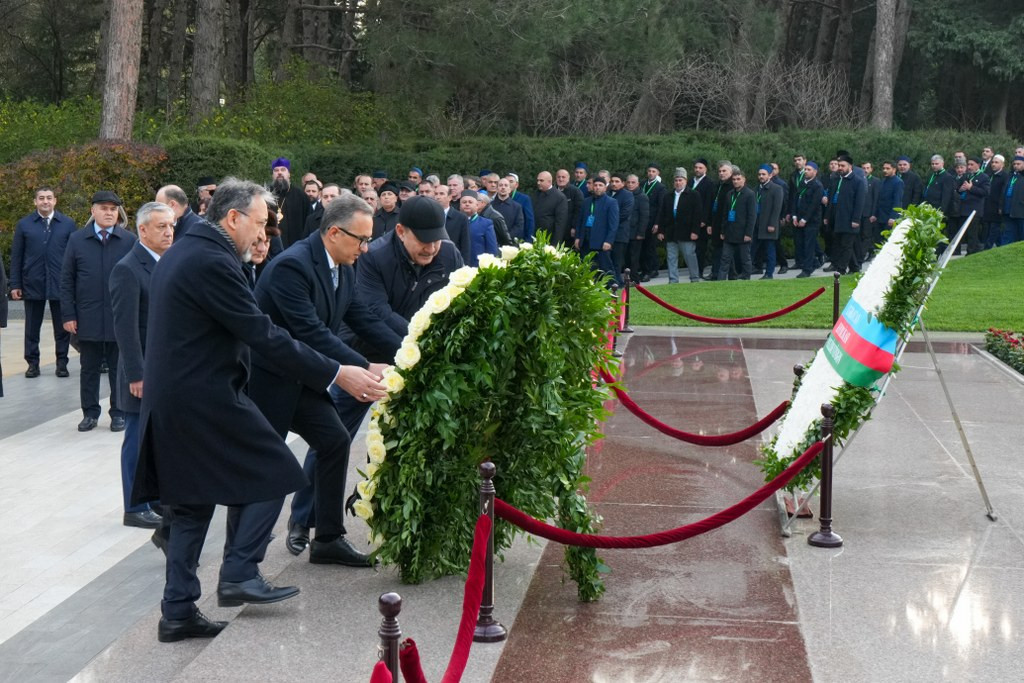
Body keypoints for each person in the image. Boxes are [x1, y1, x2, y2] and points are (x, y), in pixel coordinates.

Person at [131, 178, 386, 643]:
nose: (264, 234)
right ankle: (239, 572)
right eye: (261, 223)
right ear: (233, 218)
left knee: (191, 507)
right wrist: (338, 372)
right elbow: (262, 333)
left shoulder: (192, 249)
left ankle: (178, 612)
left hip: (181, 397)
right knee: (276, 469)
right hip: (203, 398)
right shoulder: (211, 260)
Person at [250, 193, 401, 566]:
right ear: (334, 232)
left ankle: (328, 539)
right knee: (260, 465)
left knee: (333, 440)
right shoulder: (292, 266)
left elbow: (361, 317)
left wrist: (409, 352)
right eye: (360, 240)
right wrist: (363, 366)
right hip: (268, 380)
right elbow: (311, 332)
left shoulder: (343, 265)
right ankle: (219, 548)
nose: (365, 249)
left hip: (304, 377)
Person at [110, 202, 175, 531]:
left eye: (171, 226)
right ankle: (134, 507)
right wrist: (136, 375)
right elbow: (125, 328)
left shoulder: (166, 263)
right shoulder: (128, 268)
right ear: (143, 230)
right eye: (161, 226)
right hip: (142, 372)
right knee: (136, 439)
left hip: (164, 370)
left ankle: (155, 499)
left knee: (157, 439)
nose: (169, 232)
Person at [61, 191, 136, 432]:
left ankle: (119, 413)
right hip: (87, 315)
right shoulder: (77, 240)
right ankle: (90, 413)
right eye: (104, 208)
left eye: (113, 209)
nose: (109, 213)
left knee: (118, 369)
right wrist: (68, 315)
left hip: (119, 316)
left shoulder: (129, 240)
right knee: (89, 368)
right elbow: (67, 279)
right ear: (93, 211)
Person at [355, 196, 465, 341]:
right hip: (383, 341)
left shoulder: (449, 253)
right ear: (401, 232)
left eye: (436, 239)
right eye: (424, 240)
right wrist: (421, 338)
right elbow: (377, 310)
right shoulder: (374, 257)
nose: (431, 249)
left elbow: (463, 298)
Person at [10, 186, 76, 378]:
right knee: (32, 328)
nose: (45, 201)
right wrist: (15, 284)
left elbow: (75, 256)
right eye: (41, 198)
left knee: (62, 327)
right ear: (35, 201)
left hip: (61, 283)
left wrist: (75, 283)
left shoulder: (67, 224)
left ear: (55, 200)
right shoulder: (24, 225)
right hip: (32, 282)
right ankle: (32, 364)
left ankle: (62, 363)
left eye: (48, 198)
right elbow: (17, 257)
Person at [654, 167, 703, 284]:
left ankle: (694, 278)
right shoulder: (668, 196)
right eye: (676, 180)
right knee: (671, 257)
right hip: (671, 232)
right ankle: (673, 280)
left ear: (685, 181)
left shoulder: (694, 195)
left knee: (689, 256)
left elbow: (697, 215)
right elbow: (662, 214)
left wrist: (695, 231)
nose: (678, 182)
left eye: (680, 180)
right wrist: (661, 230)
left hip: (687, 232)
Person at [824, 155, 867, 274]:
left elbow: (859, 203)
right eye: (839, 165)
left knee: (846, 245)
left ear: (850, 166)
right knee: (841, 244)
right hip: (836, 217)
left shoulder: (857, 181)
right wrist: (827, 216)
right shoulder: (836, 179)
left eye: (843, 166)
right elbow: (831, 199)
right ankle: (854, 267)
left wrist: (856, 219)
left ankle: (841, 269)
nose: (840, 168)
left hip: (849, 218)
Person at [575, 175, 619, 285]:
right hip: (586, 241)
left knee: (606, 268)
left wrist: (609, 241)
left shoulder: (611, 202)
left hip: (601, 242)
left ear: (605, 187)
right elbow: (580, 221)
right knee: (587, 268)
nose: (597, 187)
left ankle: (613, 288)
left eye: (600, 185)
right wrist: (578, 237)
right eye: (595, 185)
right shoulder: (586, 202)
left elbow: (613, 224)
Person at [717, 168, 756, 280]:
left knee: (745, 258)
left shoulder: (750, 194)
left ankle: (746, 279)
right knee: (725, 258)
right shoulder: (729, 194)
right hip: (729, 232)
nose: (735, 181)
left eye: (738, 179)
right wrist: (722, 231)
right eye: (734, 179)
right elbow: (725, 214)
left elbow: (752, 216)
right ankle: (720, 280)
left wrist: (748, 233)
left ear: (744, 180)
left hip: (743, 232)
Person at [791, 161, 825, 278]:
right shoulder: (802, 183)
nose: (806, 171)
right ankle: (814, 263)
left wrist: (805, 219)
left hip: (811, 221)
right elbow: (795, 199)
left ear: (815, 172)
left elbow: (814, 205)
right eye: (805, 169)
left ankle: (807, 269)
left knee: (809, 245)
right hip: (799, 218)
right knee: (800, 244)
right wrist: (794, 215)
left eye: (809, 170)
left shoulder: (817, 186)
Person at [270, 157, 311, 248]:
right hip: (270, 248)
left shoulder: (301, 196)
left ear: (289, 174)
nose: (279, 172)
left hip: (296, 247)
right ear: (273, 175)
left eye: (283, 170)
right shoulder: (265, 195)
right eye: (276, 170)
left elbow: (309, 223)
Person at [752, 164, 784, 279]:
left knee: (770, 249)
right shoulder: (756, 189)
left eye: (763, 174)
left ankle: (769, 273)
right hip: (757, 224)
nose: (761, 176)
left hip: (768, 224)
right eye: (759, 174)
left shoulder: (777, 189)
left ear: (770, 175)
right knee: (752, 248)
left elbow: (776, 209)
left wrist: (772, 224)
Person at [640, 162, 667, 281]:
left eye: (653, 171)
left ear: (658, 173)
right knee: (642, 247)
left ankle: (652, 269)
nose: (651, 173)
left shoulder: (661, 187)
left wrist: (657, 223)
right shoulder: (642, 184)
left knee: (650, 246)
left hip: (652, 221)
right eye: (649, 171)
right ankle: (645, 269)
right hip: (642, 220)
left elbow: (661, 207)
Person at [434, 183, 471, 262]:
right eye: (436, 194)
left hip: (453, 260)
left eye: (441, 194)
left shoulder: (461, 218)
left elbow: (465, 245)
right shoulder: (429, 215)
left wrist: (465, 265)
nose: (438, 197)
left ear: (450, 197)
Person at [609, 173, 635, 280]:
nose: (614, 184)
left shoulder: (627, 195)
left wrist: (608, 221)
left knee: (617, 262)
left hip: (620, 234)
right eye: (612, 181)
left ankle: (618, 283)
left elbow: (624, 214)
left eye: (617, 181)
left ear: (623, 183)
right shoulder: (607, 193)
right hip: (607, 234)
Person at [625, 174, 650, 281]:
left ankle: (634, 278)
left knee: (634, 257)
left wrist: (641, 233)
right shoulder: (624, 195)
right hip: (625, 232)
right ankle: (628, 277)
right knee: (627, 256)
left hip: (635, 233)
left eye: (633, 182)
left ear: (638, 184)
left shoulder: (642, 197)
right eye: (628, 182)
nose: (630, 184)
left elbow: (644, 216)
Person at [533, 171, 569, 245]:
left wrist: (555, 244)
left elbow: (560, 223)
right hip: (534, 236)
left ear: (549, 181)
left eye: (541, 180)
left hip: (549, 238)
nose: (538, 183)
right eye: (537, 180)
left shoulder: (560, 197)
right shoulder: (535, 194)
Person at [982, 155, 1007, 249]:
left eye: (996, 162)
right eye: (992, 162)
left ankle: (986, 248)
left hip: (996, 208)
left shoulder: (1005, 176)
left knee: (994, 230)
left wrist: (1001, 206)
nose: (993, 164)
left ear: (1002, 164)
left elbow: (1003, 193)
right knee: (991, 230)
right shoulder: (989, 175)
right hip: (988, 207)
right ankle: (1002, 247)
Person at [555, 169, 583, 247]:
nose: (561, 179)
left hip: (568, 231)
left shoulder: (575, 192)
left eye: (563, 177)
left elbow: (578, 211)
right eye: (558, 177)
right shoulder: (552, 191)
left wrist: (574, 227)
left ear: (568, 178)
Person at [1000, 155, 1024, 245]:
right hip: (1008, 210)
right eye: (1014, 164)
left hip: (1021, 211)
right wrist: (1001, 206)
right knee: (1008, 235)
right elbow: (1003, 192)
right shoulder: (1010, 176)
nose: (1016, 166)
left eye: (1018, 164)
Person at [505, 173, 536, 240]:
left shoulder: (524, 199)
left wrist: (529, 239)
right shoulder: (499, 199)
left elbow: (529, 220)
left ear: (516, 185)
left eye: (511, 181)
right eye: (506, 182)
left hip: (519, 238)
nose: (508, 184)